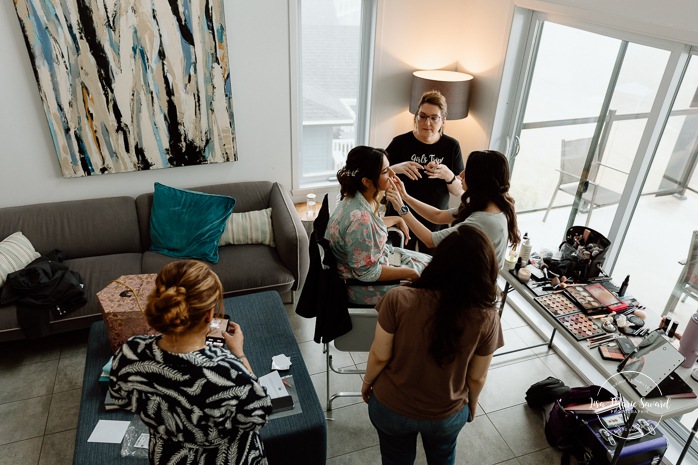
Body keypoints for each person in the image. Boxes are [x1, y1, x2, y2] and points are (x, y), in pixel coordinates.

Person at [361, 225, 504, 465]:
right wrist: (472, 403)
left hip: (391, 407)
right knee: (442, 458)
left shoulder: (398, 298)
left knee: (395, 459)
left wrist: (367, 383)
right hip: (446, 414)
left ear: (439, 261)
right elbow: (477, 377)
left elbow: (379, 355)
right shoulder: (487, 317)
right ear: (485, 270)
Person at [109, 260, 272, 465]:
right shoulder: (228, 371)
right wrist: (239, 354)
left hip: (168, 457)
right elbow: (258, 417)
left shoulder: (131, 352)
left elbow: (120, 398)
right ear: (209, 314)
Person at [326, 145, 431, 305]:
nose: (393, 174)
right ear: (367, 181)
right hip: (363, 287)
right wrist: (411, 273)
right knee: (435, 284)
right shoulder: (361, 219)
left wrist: (397, 218)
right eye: (385, 171)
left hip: (376, 262)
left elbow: (369, 228)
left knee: (433, 264)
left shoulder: (353, 199)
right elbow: (367, 273)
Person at [386, 149, 520, 267]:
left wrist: (401, 209)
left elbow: (430, 240)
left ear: (480, 180)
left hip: (473, 289)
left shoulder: (485, 220)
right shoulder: (487, 203)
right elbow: (438, 215)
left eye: (467, 171)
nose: (461, 174)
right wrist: (405, 196)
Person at [385, 90, 465, 252]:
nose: (427, 123)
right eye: (422, 116)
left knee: (430, 265)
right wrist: (396, 168)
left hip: (435, 218)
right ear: (416, 117)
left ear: (443, 121)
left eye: (434, 118)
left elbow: (459, 191)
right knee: (397, 258)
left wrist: (448, 175)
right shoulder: (400, 142)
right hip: (400, 213)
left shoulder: (451, 146)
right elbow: (378, 177)